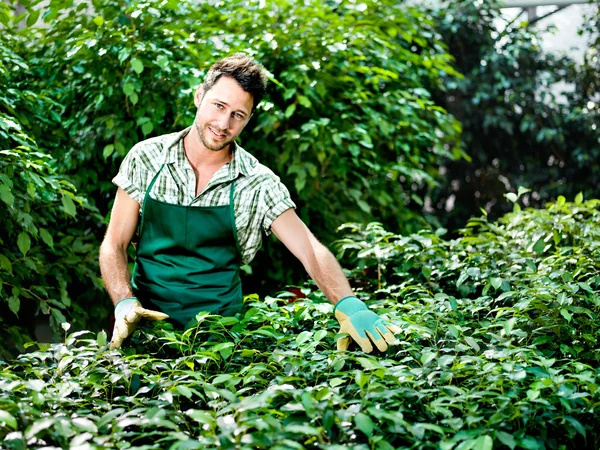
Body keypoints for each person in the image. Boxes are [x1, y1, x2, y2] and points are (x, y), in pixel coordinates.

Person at [99, 53, 400, 353]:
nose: (223, 123)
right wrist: (124, 302)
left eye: (237, 115)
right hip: (144, 331)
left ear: (248, 119)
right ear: (199, 96)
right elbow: (114, 243)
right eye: (218, 106)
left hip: (219, 342)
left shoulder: (257, 182)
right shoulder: (147, 158)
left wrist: (349, 304)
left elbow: (309, 249)